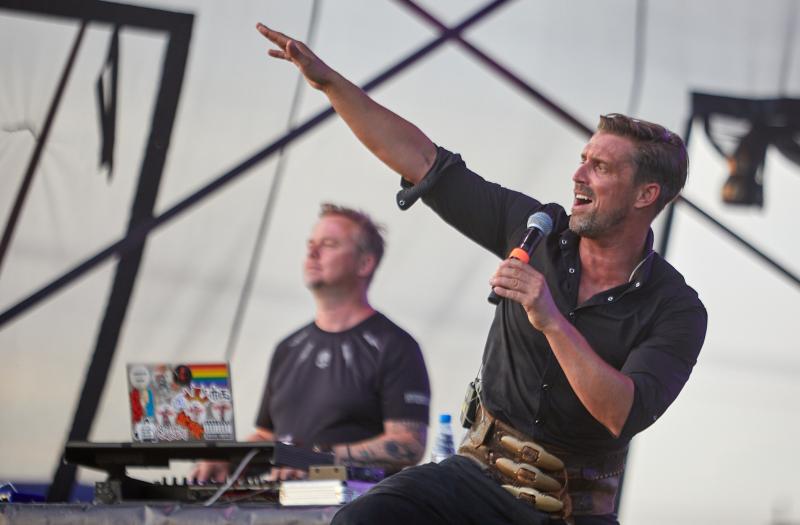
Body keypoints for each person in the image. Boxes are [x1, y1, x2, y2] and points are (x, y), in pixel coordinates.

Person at [254, 23, 707, 525]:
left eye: (600, 167)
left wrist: (550, 318)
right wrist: (329, 84)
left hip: (573, 510)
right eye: (583, 160)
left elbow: (621, 412)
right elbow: (423, 160)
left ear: (646, 195)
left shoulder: (677, 309)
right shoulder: (535, 229)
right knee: (365, 518)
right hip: (476, 478)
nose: (578, 174)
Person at [192, 203, 431, 482]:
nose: (312, 252)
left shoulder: (396, 346)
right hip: (278, 499)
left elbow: (409, 445)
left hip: (353, 501)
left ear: (364, 263)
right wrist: (226, 457)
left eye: (329, 244)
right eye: (310, 244)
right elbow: (269, 435)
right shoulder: (288, 347)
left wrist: (318, 459)